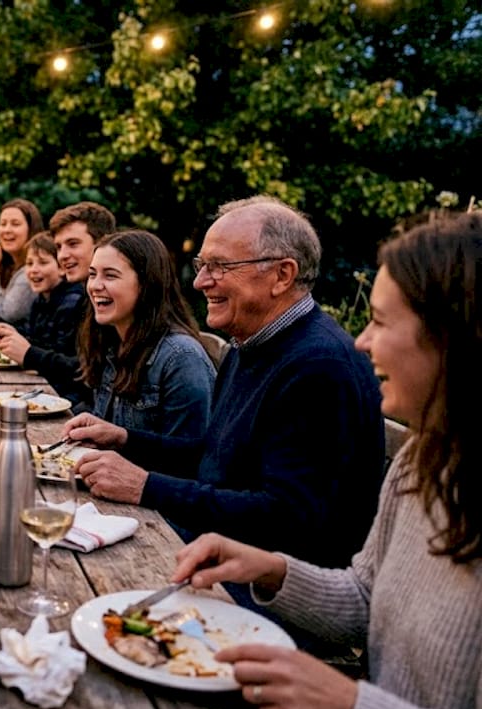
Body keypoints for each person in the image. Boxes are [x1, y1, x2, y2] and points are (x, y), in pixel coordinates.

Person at [171, 211, 482, 709]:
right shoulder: (423, 462)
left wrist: (351, 703)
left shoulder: (321, 363)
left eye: (380, 321)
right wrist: (271, 571)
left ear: (456, 337)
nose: (362, 341)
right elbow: (364, 596)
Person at [61, 196, 385, 599]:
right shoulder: (249, 346)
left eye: (219, 266)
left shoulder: (318, 365)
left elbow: (286, 516)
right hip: (216, 552)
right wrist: (126, 438)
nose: (200, 282)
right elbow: (216, 457)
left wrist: (146, 486)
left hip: (267, 595)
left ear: (282, 275)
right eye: (202, 265)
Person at [78, 229, 215, 438]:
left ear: (146, 284)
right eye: (92, 274)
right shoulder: (111, 342)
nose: (95, 286)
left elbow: (190, 452)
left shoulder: (181, 358)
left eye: (110, 275)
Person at [0, 201, 117, 407]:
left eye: (73, 244)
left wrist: (30, 354)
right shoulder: (88, 299)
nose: (63, 255)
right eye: (59, 247)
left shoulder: (86, 300)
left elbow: (84, 375)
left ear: (102, 244)